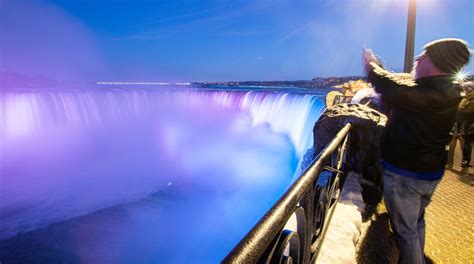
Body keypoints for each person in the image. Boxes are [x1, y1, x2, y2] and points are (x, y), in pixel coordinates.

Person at [362, 38, 471, 264]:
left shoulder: (431, 94)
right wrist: (380, 69)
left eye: (424, 56)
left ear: (437, 63)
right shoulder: (444, 91)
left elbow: (392, 88)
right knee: (416, 222)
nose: (417, 59)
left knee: (405, 232)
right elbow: (400, 86)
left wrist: (371, 66)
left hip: (406, 175)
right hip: (426, 173)